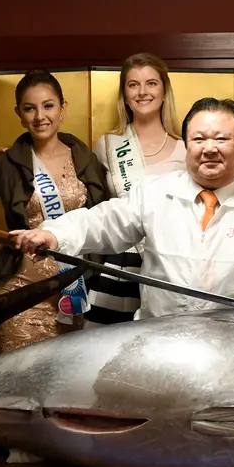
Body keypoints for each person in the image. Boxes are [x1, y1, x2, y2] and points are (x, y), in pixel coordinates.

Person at [9, 97, 234, 327]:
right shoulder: (155, 191)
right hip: (157, 339)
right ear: (187, 145)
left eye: (222, 139)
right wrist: (55, 233)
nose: (209, 148)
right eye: (198, 139)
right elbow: (105, 221)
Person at [0, 69, 108, 351]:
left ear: (62, 108)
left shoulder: (85, 159)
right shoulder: (6, 163)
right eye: (30, 108)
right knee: (19, 388)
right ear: (19, 113)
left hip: (77, 295)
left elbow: (104, 218)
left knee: (68, 390)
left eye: (48, 106)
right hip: (21, 297)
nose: (40, 116)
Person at [89, 53, 187, 327]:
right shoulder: (108, 144)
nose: (143, 92)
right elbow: (83, 197)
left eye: (151, 83)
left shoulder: (186, 147)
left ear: (164, 90)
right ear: (124, 94)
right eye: (133, 85)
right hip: (119, 264)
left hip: (168, 265)